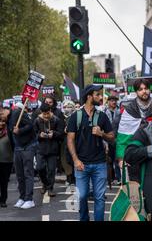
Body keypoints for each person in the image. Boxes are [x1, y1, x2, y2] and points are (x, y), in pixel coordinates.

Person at [66, 85, 115, 221]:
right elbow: (70, 140)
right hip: (81, 164)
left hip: (99, 163)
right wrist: (75, 160)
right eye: (97, 94)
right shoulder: (76, 116)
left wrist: (102, 134)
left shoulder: (102, 116)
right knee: (82, 196)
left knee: (100, 197)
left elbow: (112, 137)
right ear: (89, 96)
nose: (100, 97)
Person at [115, 79, 152, 166]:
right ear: (136, 92)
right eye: (140, 89)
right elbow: (123, 137)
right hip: (137, 154)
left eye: (146, 88)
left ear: (149, 90)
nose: (144, 91)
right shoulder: (129, 110)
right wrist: (121, 159)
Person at [9, 101, 37, 209]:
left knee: (27, 173)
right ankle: (22, 197)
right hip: (18, 148)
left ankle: (29, 199)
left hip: (27, 147)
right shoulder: (8, 117)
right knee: (19, 174)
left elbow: (30, 125)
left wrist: (19, 130)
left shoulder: (17, 113)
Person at [34, 102, 65, 197]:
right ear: (41, 112)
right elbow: (33, 135)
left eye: (47, 113)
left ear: (50, 111)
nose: (46, 116)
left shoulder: (56, 120)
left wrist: (54, 134)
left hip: (53, 149)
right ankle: (45, 183)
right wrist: (39, 135)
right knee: (39, 168)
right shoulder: (37, 120)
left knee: (51, 170)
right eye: (44, 114)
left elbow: (61, 134)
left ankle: (50, 188)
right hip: (41, 149)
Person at [0, 113, 13, 207]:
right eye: (0, 121)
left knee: (4, 182)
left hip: (7, 161)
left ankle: (3, 200)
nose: (1, 123)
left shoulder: (9, 132)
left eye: (3, 121)